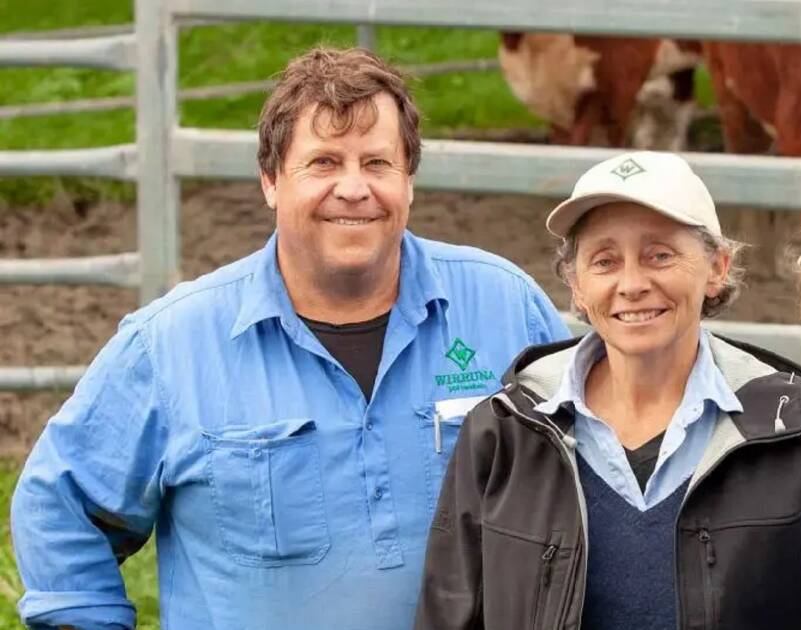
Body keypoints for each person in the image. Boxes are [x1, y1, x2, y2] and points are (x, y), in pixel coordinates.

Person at [11, 47, 568, 630]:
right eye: (324, 162)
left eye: (377, 163)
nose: (353, 188)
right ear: (271, 181)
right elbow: (60, 507)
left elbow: (590, 482)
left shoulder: (504, 306)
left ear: (409, 182)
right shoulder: (173, 345)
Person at [415, 151, 801, 629]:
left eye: (660, 255)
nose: (632, 283)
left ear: (717, 268)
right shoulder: (507, 428)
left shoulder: (797, 429)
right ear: (575, 284)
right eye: (605, 261)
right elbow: (449, 614)